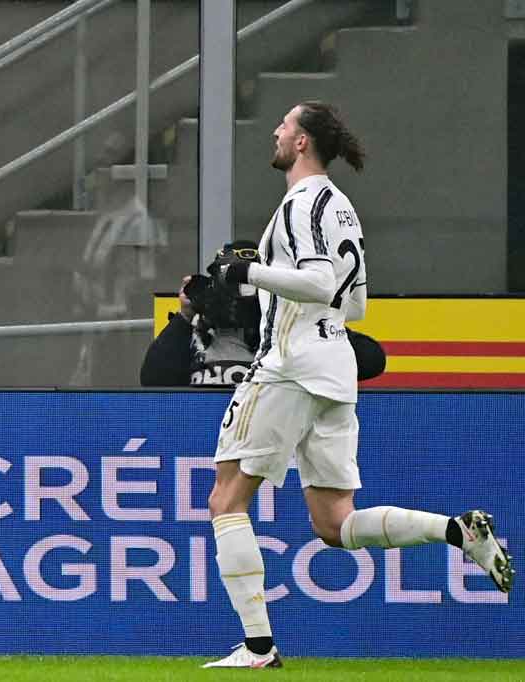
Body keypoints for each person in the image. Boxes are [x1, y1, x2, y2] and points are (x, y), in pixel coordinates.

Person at [201, 102, 513, 669]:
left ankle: (258, 648)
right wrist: (266, 290)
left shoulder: (302, 202)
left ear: (302, 142)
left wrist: (246, 273)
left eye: (285, 126)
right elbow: (357, 304)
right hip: (334, 366)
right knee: (334, 523)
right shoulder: (342, 207)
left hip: (289, 365)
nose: (276, 131)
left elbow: (320, 283)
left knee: (226, 499)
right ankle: (457, 531)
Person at [139, 241, 386, 387]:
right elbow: (153, 379)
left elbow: (372, 360)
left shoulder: (287, 327)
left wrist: (300, 314)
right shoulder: (195, 331)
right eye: (228, 282)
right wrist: (184, 317)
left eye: (246, 283)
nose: (238, 295)